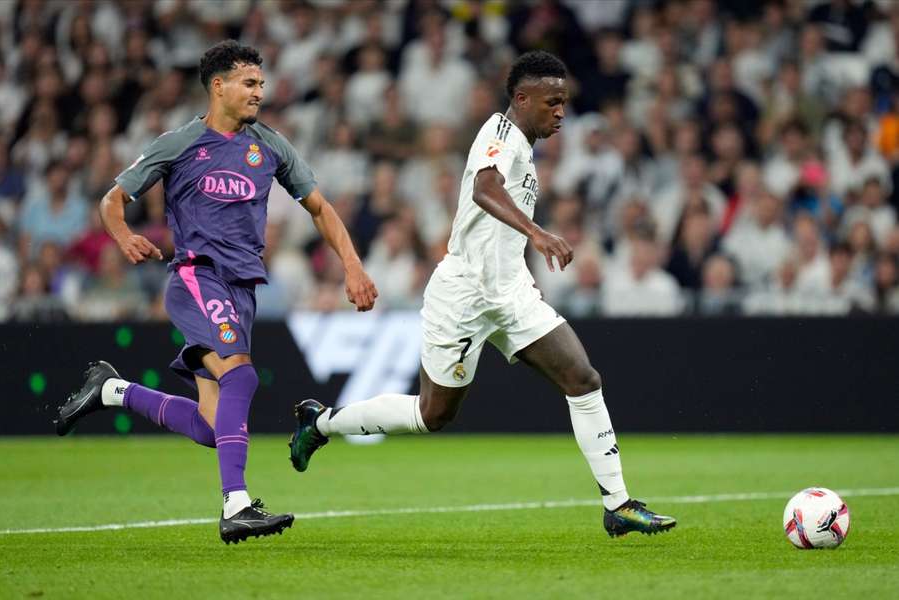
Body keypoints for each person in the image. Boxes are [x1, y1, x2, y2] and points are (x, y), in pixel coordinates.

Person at [289, 50, 676, 538]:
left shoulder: (525, 148)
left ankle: (617, 505)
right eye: (552, 102)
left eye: (565, 102)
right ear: (522, 98)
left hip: (510, 291)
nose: (561, 112)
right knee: (433, 415)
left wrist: (522, 258)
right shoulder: (498, 135)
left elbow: (498, 229)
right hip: (464, 294)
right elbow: (484, 190)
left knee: (583, 378)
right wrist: (537, 233)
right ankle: (320, 422)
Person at [54, 41, 378, 544]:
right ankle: (237, 504)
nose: (259, 93)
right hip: (196, 277)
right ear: (218, 85)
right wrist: (122, 235)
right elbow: (112, 199)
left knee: (211, 426)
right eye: (249, 83)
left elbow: (320, 208)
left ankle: (111, 390)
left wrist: (353, 267)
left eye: (262, 84)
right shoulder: (178, 143)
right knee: (241, 379)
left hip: (241, 288)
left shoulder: (270, 146)